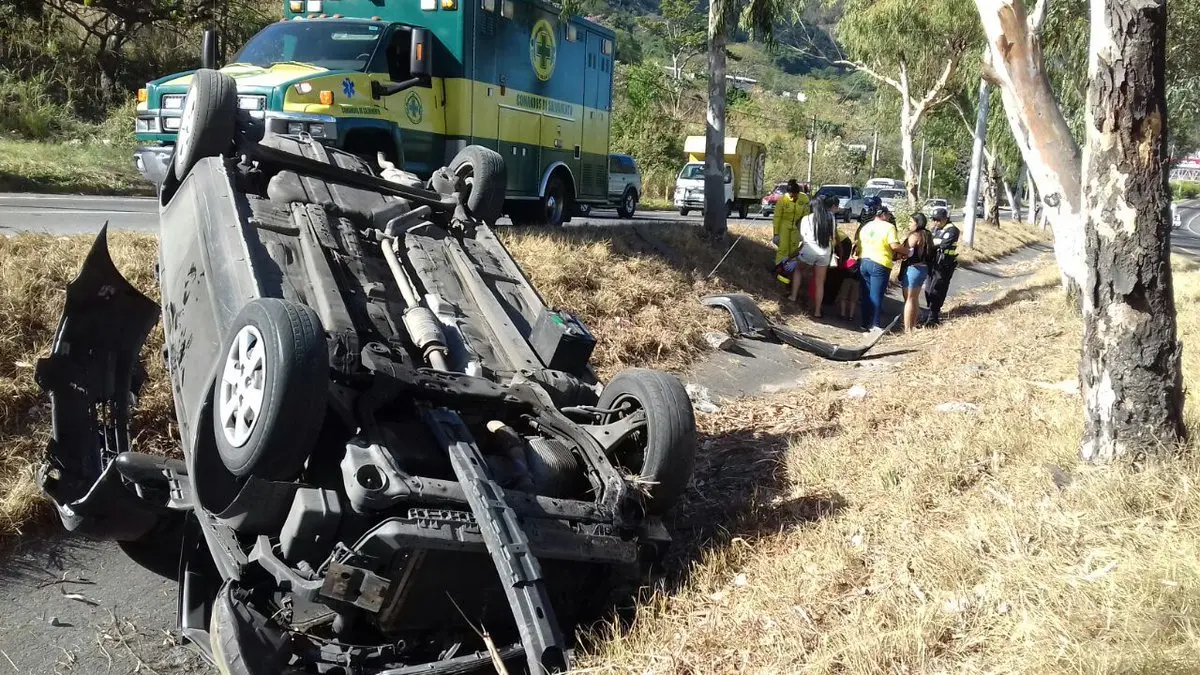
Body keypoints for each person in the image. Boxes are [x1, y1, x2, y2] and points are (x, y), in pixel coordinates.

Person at [855, 198, 905, 332]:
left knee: (866, 295)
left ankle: (865, 323)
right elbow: (894, 245)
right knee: (876, 295)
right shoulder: (889, 227)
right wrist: (907, 251)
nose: (889, 217)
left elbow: (858, 246)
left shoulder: (866, 226)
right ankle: (875, 325)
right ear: (883, 214)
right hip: (880, 263)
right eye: (888, 215)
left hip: (864, 261)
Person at [796, 193, 839, 314]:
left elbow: (802, 237)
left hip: (809, 250)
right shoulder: (831, 218)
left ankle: (793, 296)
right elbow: (833, 237)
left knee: (798, 271)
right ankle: (817, 311)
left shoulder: (806, 219)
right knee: (820, 282)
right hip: (825, 253)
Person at [899, 212, 936, 333]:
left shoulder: (914, 235)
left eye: (911, 222)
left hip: (913, 269)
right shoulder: (927, 234)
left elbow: (906, 251)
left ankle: (907, 328)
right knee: (914, 298)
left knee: (908, 299)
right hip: (923, 269)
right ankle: (913, 325)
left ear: (917, 223)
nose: (909, 224)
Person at [924, 207, 960, 325]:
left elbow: (943, 244)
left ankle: (933, 317)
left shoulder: (952, 230)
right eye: (934, 219)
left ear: (945, 219)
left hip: (944, 265)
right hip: (933, 264)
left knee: (937, 289)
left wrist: (931, 243)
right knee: (928, 289)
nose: (935, 222)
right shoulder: (935, 229)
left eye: (938, 220)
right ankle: (929, 312)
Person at [772, 179, 810, 290]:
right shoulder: (783, 200)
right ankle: (779, 272)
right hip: (784, 225)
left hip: (797, 227)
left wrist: (804, 232)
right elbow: (777, 218)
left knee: (794, 251)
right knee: (783, 249)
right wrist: (776, 234)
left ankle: (790, 275)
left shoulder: (804, 199)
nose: (793, 198)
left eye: (795, 196)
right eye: (791, 196)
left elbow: (806, 216)